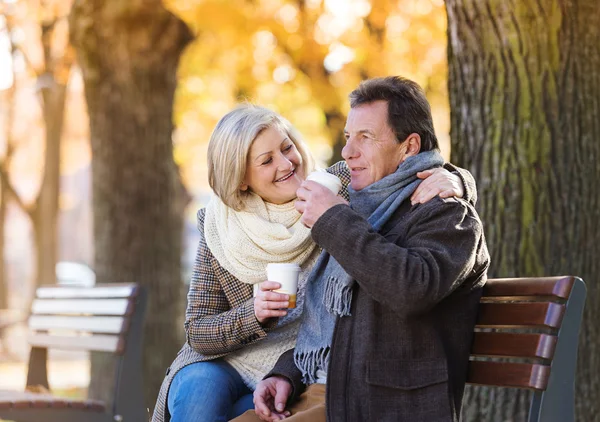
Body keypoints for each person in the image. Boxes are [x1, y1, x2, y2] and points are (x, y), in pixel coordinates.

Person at [152, 103, 475, 422]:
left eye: (286, 147)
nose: (286, 163)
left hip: (296, 368)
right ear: (241, 179)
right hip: (229, 362)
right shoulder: (218, 226)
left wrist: (460, 182)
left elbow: (403, 166)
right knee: (199, 395)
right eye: (266, 161)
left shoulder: (333, 186)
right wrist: (252, 314)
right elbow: (198, 331)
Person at [236, 77, 490, 422]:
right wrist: (286, 374)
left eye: (365, 138)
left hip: (376, 406)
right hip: (325, 391)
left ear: (410, 146)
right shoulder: (362, 206)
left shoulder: (447, 214)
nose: (347, 152)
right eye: (347, 138)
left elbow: (410, 289)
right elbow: (337, 323)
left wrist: (333, 217)